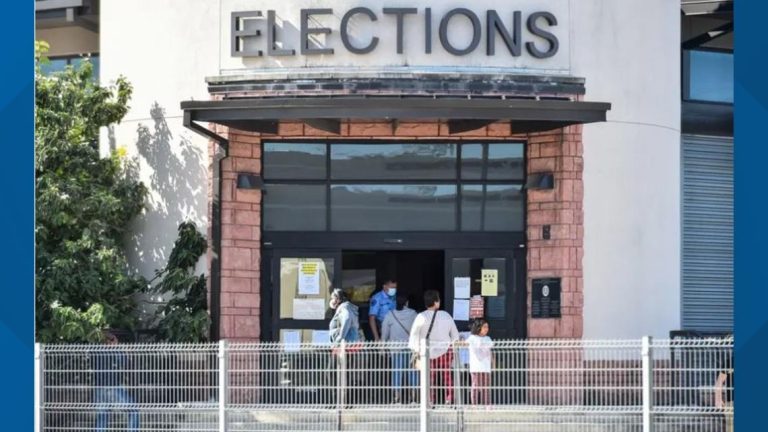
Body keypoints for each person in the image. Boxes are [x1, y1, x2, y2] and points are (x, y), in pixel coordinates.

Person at [409, 290, 459, 405]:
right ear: (437, 302)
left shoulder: (420, 317)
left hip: (427, 352)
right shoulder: (446, 316)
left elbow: (414, 335)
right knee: (447, 376)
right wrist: (454, 347)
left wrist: (417, 350)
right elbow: (455, 335)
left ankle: (429, 400)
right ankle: (449, 399)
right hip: (445, 350)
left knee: (429, 378)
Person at [93, 331, 139, 432]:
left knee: (102, 416)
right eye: (115, 340)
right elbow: (125, 363)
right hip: (113, 387)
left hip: (98, 389)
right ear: (110, 341)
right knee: (134, 409)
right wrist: (125, 352)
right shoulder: (115, 352)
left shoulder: (95, 352)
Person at [381, 293, 418, 404]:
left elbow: (384, 333)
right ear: (407, 303)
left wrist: (382, 347)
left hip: (396, 349)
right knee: (412, 373)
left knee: (397, 373)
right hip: (411, 348)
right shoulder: (413, 314)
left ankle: (397, 398)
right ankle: (414, 398)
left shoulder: (390, 315)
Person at [467, 319, 494, 406]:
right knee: (475, 386)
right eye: (484, 327)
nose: (487, 329)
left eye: (487, 327)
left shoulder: (488, 338)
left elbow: (490, 351)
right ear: (479, 328)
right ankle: (474, 405)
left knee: (486, 387)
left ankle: (487, 405)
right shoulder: (472, 338)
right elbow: (465, 344)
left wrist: (493, 363)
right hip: (476, 367)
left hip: (486, 367)